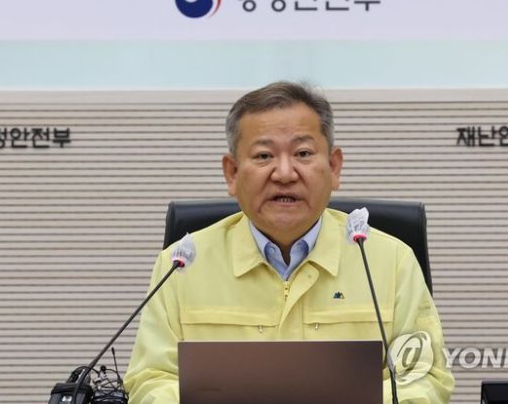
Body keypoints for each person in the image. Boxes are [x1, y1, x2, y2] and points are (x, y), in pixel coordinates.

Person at [124, 81, 454, 404]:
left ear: (334, 167)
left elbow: (422, 379)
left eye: (303, 153)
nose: (284, 173)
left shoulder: (390, 261)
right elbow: (152, 379)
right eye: (264, 155)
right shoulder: (182, 266)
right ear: (232, 173)